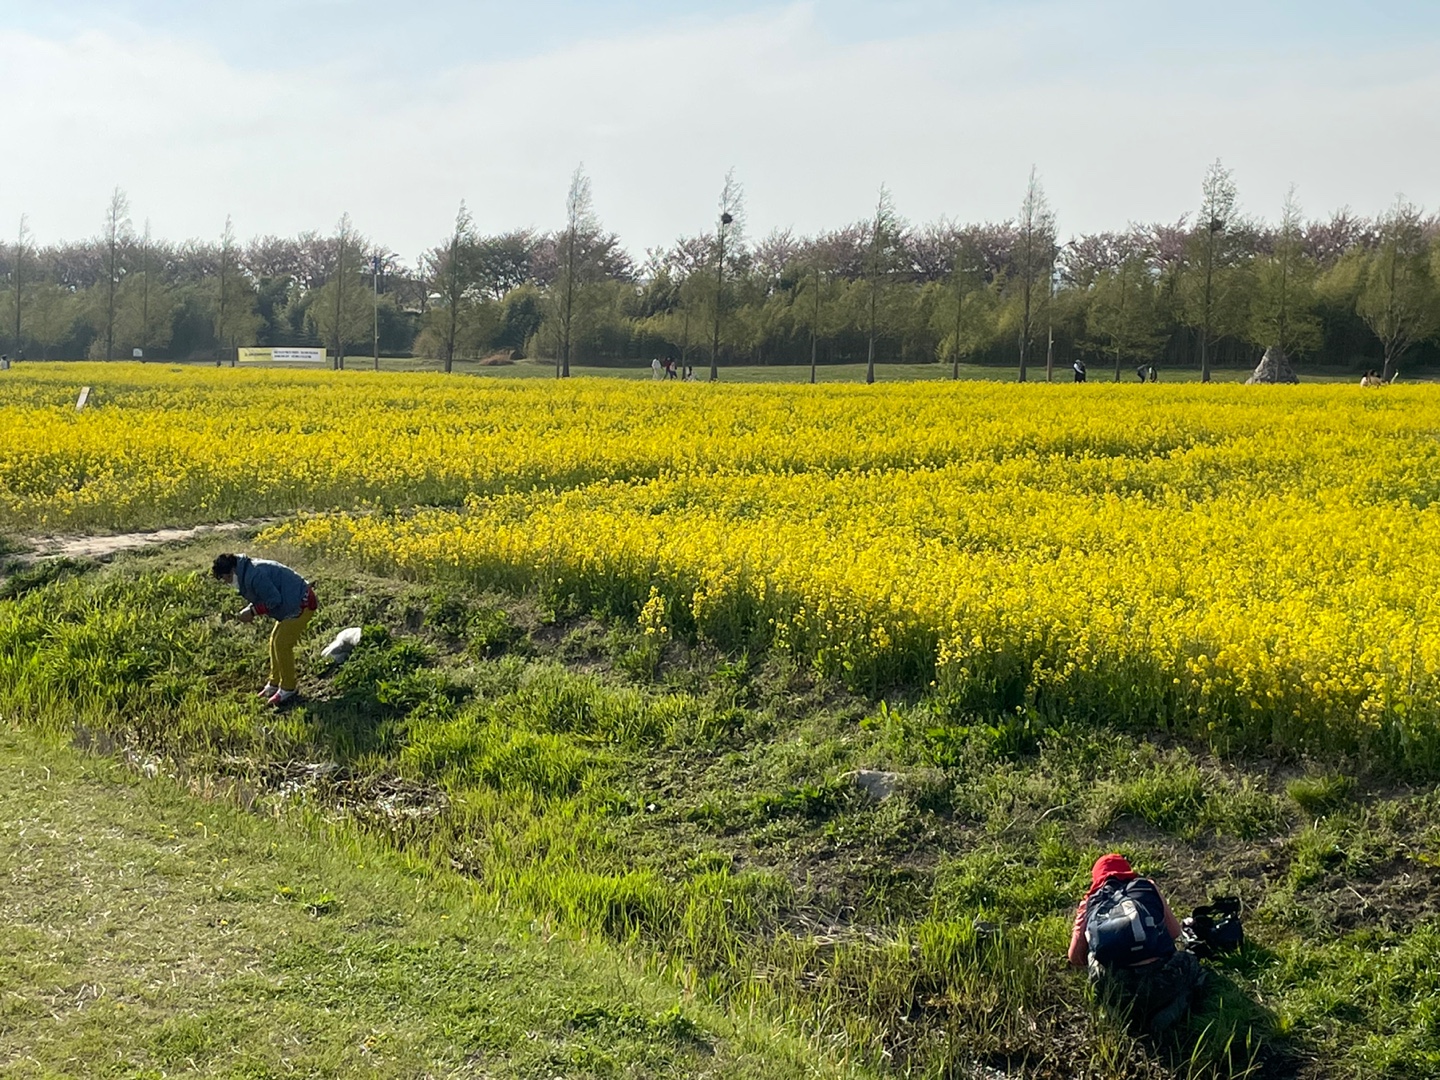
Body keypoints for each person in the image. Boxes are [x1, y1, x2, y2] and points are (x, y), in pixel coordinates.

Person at [1068, 854, 1203, 1034]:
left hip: (1116, 987)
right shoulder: (1148, 886)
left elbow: (1075, 957)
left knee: (1093, 956)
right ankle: (1174, 1007)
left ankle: (1116, 1013)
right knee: (1189, 962)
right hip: (1161, 981)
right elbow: (1175, 932)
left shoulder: (1090, 902)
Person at [212, 553, 318, 707]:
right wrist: (249, 610)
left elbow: (274, 600)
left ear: (233, 570)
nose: (228, 583)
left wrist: (253, 612)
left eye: (227, 578)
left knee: (282, 644)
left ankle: (288, 687)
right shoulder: (247, 572)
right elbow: (262, 597)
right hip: (290, 605)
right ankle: (274, 683)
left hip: (302, 604)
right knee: (274, 640)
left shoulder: (255, 574)